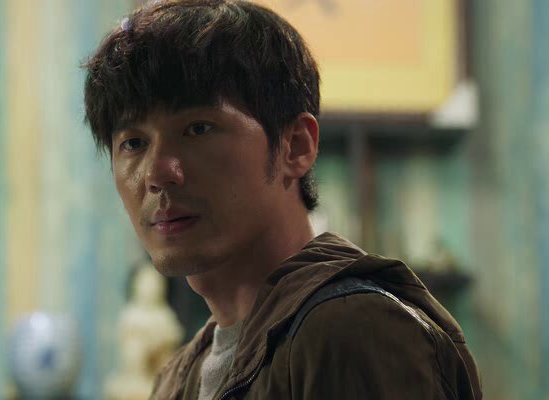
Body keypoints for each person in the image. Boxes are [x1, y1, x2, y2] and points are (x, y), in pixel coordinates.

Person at [82, 0, 482, 398]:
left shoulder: (353, 331)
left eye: (198, 129)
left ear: (296, 146)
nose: (156, 174)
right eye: (133, 143)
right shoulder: (179, 376)